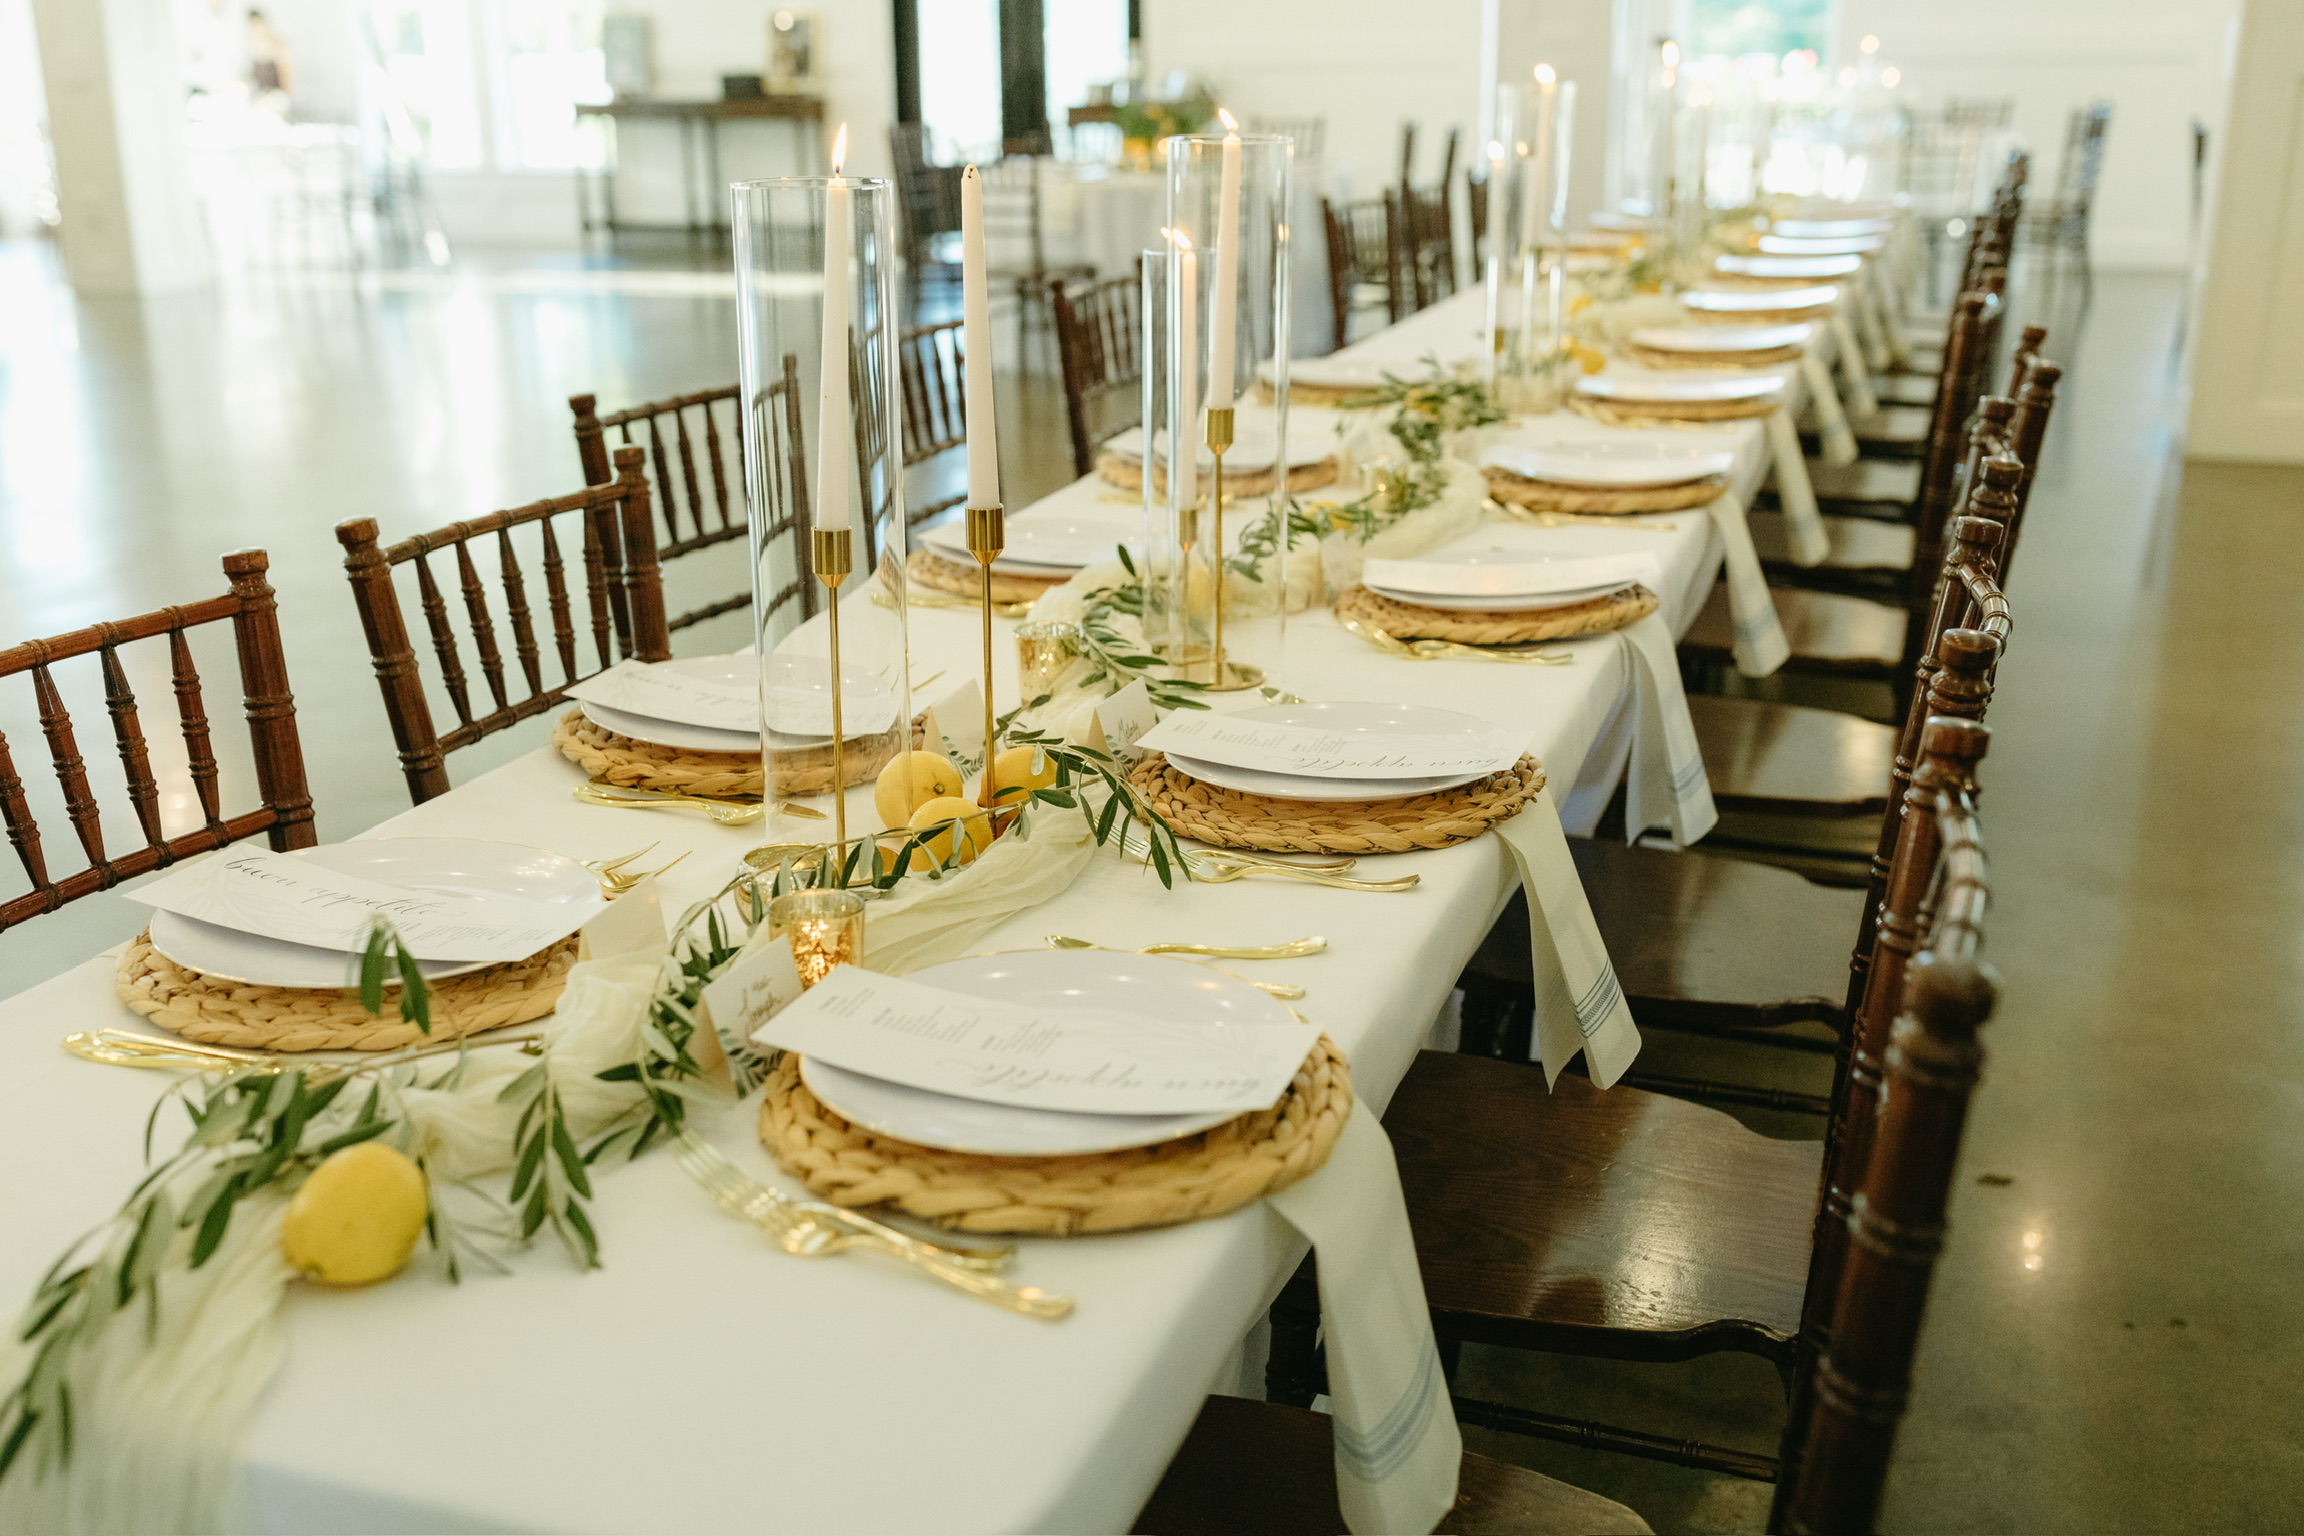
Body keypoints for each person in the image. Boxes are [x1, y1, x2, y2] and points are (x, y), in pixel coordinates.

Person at [246, 9, 294, 104]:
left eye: (257, 25)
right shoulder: (252, 49)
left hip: (277, 98)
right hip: (259, 97)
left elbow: (287, 76)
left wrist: (286, 98)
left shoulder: (278, 46)